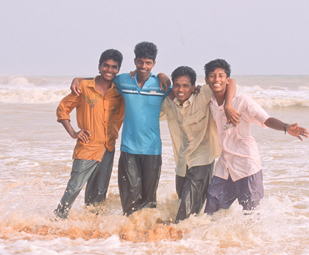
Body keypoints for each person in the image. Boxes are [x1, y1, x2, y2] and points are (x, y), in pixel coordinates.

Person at [71, 42, 171, 216]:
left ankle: (146, 239)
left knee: (149, 200)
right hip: (128, 149)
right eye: (140, 62)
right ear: (135, 61)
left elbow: (183, 91)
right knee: (130, 200)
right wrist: (77, 80)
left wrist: (164, 76)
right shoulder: (123, 80)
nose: (143, 67)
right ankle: (129, 237)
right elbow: (100, 80)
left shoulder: (161, 85)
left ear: (154, 64)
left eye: (148, 63)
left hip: (153, 150)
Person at [203, 59, 309, 215]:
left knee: (252, 214)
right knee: (212, 206)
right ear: (206, 80)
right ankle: (210, 240)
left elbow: (265, 119)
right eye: (212, 76)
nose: (216, 80)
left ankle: (254, 240)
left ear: (227, 79)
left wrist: (285, 127)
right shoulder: (210, 101)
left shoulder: (241, 101)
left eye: (221, 76)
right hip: (225, 164)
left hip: (246, 164)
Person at [160, 66, 239, 223]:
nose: (180, 89)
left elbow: (231, 83)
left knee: (186, 213)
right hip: (183, 161)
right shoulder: (170, 102)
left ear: (193, 87)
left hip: (202, 159)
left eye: (185, 86)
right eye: (177, 85)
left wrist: (228, 105)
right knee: (184, 204)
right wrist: (161, 75)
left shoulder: (202, 95)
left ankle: (177, 239)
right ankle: (191, 240)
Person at [53, 49, 125, 219]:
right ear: (99, 66)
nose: (109, 70)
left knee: (99, 191)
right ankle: (57, 219)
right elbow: (63, 108)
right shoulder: (84, 87)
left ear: (118, 69)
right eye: (106, 66)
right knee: (74, 187)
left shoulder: (119, 91)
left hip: (108, 147)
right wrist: (73, 132)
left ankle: (91, 225)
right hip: (88, 146)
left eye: (114, 67)